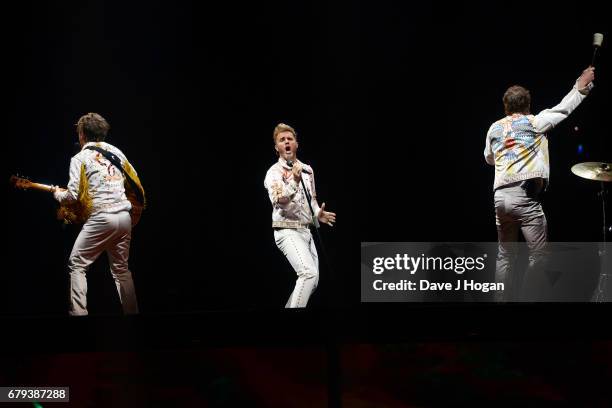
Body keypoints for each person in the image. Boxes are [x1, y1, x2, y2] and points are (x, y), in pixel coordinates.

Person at [484, 67, 595, 301]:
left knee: (505, 256)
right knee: (539, 255)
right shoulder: (535, 122)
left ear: (506, 106)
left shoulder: (494, 128)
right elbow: (563, 109)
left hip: (500, 197)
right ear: (527, 105)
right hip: (523, 195)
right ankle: (527, 300)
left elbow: (489, 158)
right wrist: (580, 86)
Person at [53, 112, 145, 315]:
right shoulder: (117, 152)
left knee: (76, 264)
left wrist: (57, 194)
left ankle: (79, 318)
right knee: (121, 270)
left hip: (102, 217)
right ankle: (134, 318)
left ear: (82, 134)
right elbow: (134, 180)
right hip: (124, 217)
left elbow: (72, 196)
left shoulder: (80, 157)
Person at [264, 123, 337, 308]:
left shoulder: (307, 170)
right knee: (308, 273)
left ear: (296, 144)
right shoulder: (274, 173)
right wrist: (294, 181)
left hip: (306, 231)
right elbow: (279, 200)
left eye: (290, 139)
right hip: (286, 230)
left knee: (312, 282)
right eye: (282, 140)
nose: (286, 142)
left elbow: (311, 200)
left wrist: (316, 215)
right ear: (277, 148)